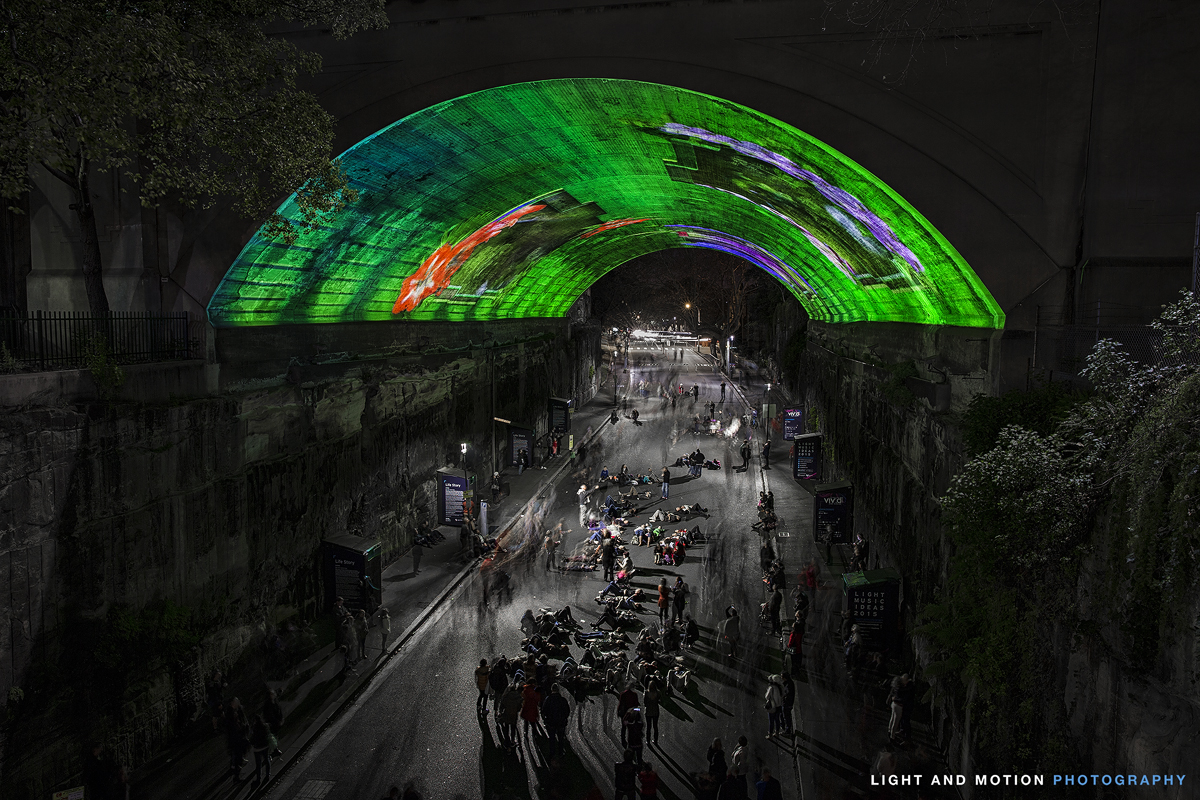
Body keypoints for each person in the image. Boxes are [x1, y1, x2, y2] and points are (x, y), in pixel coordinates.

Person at [541, 683, 571, 756]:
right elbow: (567, 711)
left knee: (552, 738)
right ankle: (561, 752)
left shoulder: (548, 699)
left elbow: (544, 710)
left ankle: (552, 753)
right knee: (561, 738)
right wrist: (564, 718)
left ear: (552, 690)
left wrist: (546, 718)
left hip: (551, 722)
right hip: (561, 722)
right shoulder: (563, 700)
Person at [250, 714, 272, 785]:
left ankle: (258, 778)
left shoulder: (254, 728)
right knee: (267, 760)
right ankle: (268, 775)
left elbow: (252, 739)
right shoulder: (265, 726)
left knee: (258, 764)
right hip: (265, 746)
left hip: (257, 748)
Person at [643, 678, 662, 744]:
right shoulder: (658, 693)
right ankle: (655, 740)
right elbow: (660, 701)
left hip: (648, 711)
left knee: (648, 727)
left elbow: (644, 702)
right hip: (655, 711)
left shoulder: (646, 693)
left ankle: (648, 740)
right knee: (655, 726)